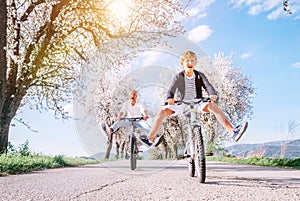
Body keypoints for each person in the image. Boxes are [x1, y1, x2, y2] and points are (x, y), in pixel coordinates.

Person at [140, 50, 248, 146]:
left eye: (192, 60)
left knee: (213, 106)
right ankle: (150, 139)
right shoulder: (179, 76)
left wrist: (212, 94)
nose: (190, 63)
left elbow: (208, 85)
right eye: (187, 61)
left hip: (198, 103)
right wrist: (170, 98)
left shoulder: (200, 75)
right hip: (182, 104)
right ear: (182, 63)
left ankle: (232, 132)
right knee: (162, 111)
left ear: (195, 63)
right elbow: (171, 89)